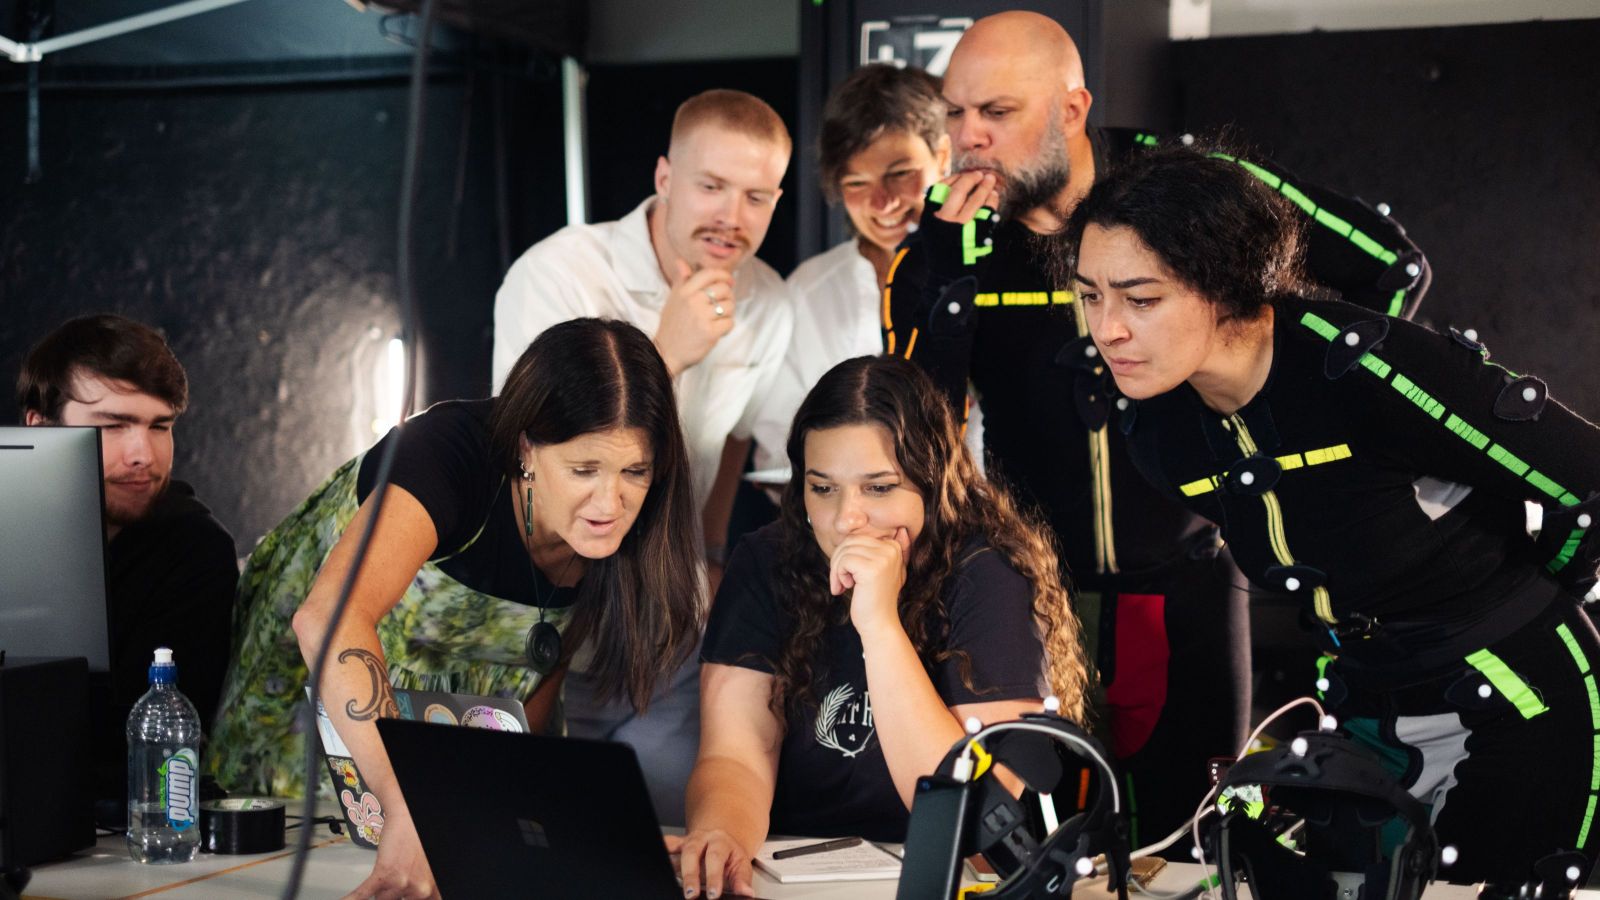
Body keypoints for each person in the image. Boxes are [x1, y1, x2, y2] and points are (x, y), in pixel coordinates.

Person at [881, 10, 1431, 848]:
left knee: (1194, 847)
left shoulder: (1183, 185)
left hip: (1190, 589)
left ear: (1072, 108)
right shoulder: (946, 240)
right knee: (1028, 852)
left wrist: (1286, 426)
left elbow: (1390, 270)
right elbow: (913, 433)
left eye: (997, 113)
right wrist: (951, 285)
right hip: (1027, 602)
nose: (969, 140)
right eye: (954, 115)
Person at [1063, 145, 1600, 885]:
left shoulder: (1369, 371)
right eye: (1090, 295)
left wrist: (1549, 594)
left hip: (1521, 697)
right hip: (1366, 704)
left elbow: (1587, 485)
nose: (1108, 328)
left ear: (1223, 283)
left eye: (1141, 299)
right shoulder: (1155, 430)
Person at [207, 318, 703, 899]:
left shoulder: (632, 523)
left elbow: (543, 667)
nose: (611, 502)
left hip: (458, 738)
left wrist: (578, 839)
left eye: (634, 472)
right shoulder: (443, 454)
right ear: (527, 448)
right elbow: (328, 619)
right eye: (584, 470)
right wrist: (408, 807)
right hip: (321, 699)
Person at [674, 355, 1092, 899]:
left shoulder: (988, 574)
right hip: (793, 876)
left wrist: (879, 625)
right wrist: (723, 835)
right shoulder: (767, 562)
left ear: (933, 481)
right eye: (823, 488)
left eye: (878, 488)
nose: (847, 518)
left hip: (945, 880)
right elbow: (735, 754)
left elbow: (969, 811)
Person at [491, 90, 794, 821]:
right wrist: (667, 352)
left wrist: (713, 553)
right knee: (531, 823)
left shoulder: (769, 300)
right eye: (711, 186)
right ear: (664, 177)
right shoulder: (560, 272)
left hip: (667, 610)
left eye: (756, 197)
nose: (731, 216)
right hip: (546, 604)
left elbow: (733, 443)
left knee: (653, 831)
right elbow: (521, 450)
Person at [17, 314, 237, 810]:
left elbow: (147, 742)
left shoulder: (194, 548)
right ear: (40, 426)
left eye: (160, 426)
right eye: (112, 425)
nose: (143, 453)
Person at [750, 64, 962, 473]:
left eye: (900, 174)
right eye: (856, 184)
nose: (882, 202)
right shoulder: (807, 292)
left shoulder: (982, 275)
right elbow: (779, 445)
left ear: (943, 156)